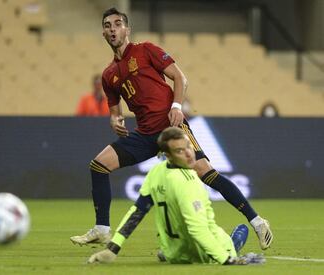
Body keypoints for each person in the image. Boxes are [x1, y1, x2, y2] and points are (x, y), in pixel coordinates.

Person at [70, 7, 273, 250]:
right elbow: (115, 112)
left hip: (171, 125)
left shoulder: (146, 50)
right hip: (145, 134)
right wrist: (115, 121)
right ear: (103, 33)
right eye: (107, 25)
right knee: (99, 165)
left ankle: (258, 222)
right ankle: (102, 229)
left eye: (117, 24)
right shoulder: (109, 75)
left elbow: (180, 78)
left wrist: (176, 106)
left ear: (127, 29)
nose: (112, 29)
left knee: (205, 172)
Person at [87, 127, 265, 265]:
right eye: (180, 151)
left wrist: (113, 248)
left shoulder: (156, 173)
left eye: (189, 146)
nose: (188, 153)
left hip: (174, 255)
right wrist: (227, 259)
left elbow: (137, 212)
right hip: (206, 255)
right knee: (239, 232)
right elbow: (198, 230)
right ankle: (232, 247)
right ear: (167, 156)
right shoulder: (191, 182)